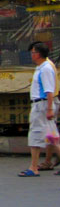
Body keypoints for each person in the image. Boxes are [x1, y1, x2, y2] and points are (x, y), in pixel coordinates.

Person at [19, 42, 60, 177]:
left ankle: (33, 167)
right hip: (42, 105)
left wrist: (49, 109)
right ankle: (34, 166)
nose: (32, 55)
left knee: (36, 137)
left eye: (33, 52)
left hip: (41, 106)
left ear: (38, 54)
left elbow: (49, 91)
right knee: (52, 138)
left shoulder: (46, 68)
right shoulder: (41, 67)